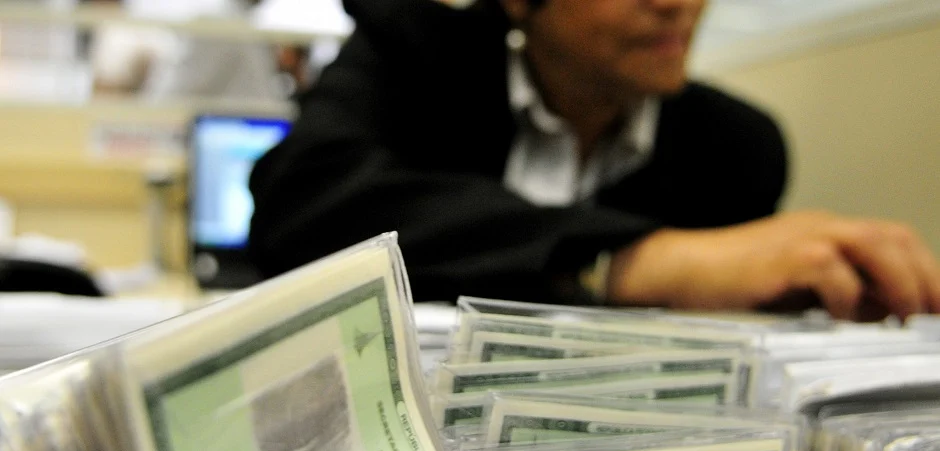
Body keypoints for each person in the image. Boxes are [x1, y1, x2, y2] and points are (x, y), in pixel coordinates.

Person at [248, 0, 940, 321]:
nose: (676, 6)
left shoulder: (738, 147)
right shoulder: (413, 51)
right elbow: (299, 202)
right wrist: (636, 261)